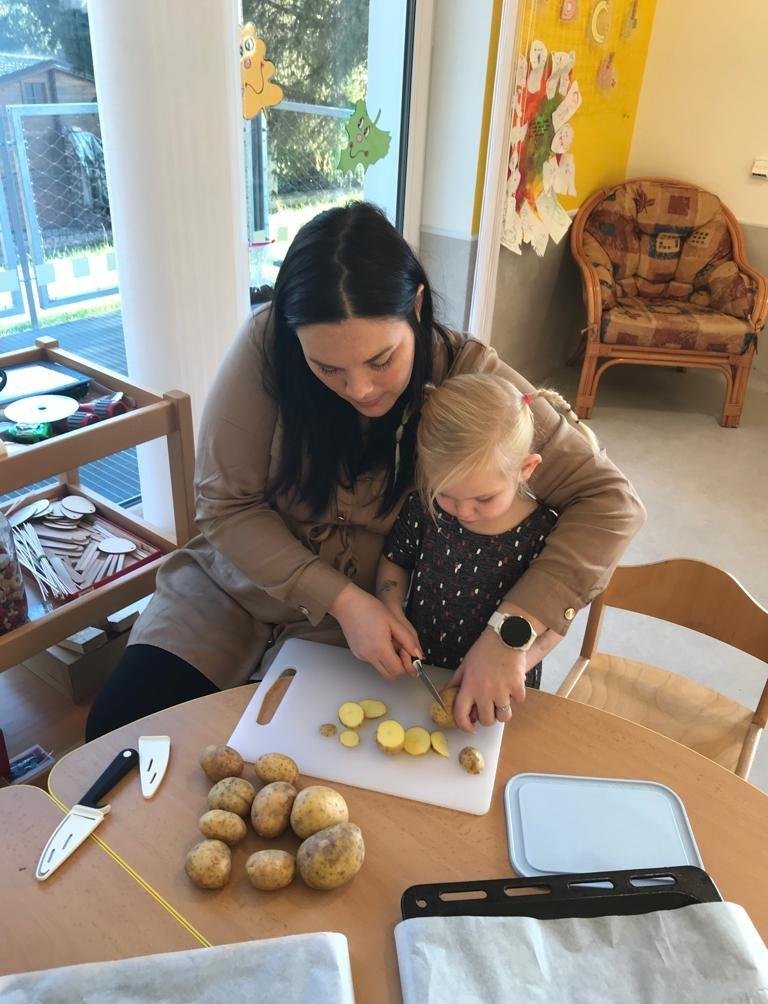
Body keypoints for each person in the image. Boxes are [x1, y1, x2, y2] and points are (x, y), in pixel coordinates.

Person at [85, 202, 645, 741]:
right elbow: (226, 507)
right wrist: (342, 600)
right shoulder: (265, 344)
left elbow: (609, 502)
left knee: (306, 760)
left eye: (382, 360)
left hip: (372, 618)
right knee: (121, 727)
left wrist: (510, 632)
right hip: (232, 587)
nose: (359, 389)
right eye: (326, 367)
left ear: (417, 307)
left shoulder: (469, 378)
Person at [376, 373, 600, 730]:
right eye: (446, 494)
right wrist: (390, 608)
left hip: (499, 687)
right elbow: (394, 563)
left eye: (483, 498)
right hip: (421, 671)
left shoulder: (545, 532)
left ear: (526, 469)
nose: (463, 512)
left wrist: (515, 666)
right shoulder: (423, 508)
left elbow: (554, 626)